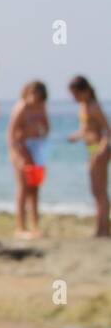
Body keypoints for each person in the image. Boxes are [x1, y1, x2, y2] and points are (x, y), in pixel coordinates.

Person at [67, 75, 110, 237]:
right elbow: (87, 130)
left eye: (76, 94)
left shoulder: (93, 106)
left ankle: (104, 229)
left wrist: (101, 150)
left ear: (85, 91)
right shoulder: (83, 107)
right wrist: (75, 136)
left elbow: (107, 130)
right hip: (91, 149)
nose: (74, 98)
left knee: (100, 192)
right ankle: (101, 227)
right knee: (95, 191)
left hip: (100, 150)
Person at [7, 81, 50, 239]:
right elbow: (11, 134)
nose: (35, 100)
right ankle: (20, 227)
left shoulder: (41, 107)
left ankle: (35, 226)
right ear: (28, 92)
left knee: (35, 188)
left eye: (39, 98)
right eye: (34, 96)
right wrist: (16, 154)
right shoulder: (21, 107)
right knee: (23, 188)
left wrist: (40, 131)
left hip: (37, 148)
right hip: (22, 148)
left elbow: (47, 127)